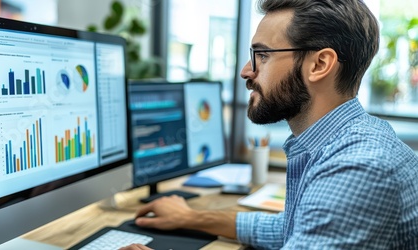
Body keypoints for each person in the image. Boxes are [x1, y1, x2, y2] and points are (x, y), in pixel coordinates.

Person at [120, 0, 418, 249]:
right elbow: (292, 228)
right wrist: (190, 217)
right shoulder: (346, 140)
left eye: (262, 55)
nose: (246, 71)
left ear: (319, 65)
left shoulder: (358, 167)